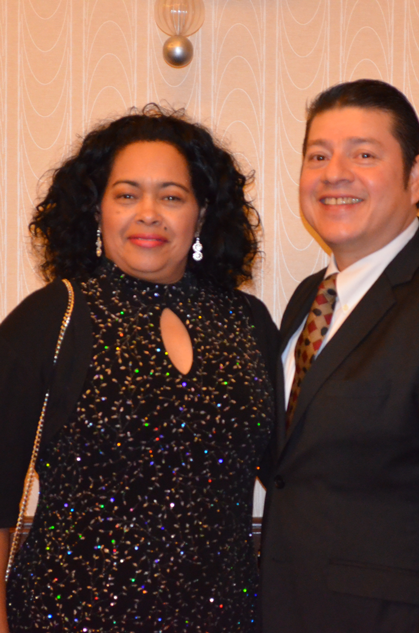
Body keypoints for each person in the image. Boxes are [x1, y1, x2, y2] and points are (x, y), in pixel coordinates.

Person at [0, 104, 277, 633]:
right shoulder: (53, 317)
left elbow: (294, 475)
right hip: (69, 618)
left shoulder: (248, 324)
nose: (148, 213)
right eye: (126, 195)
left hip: (224, 618)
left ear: (201, 214)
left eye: (172, 197)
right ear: (96, 211)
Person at [259, 79, 419, 633]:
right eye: (318, 155)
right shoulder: (308, 298)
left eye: (364, 155)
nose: (335, 173)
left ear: (415, 177)